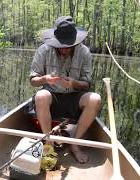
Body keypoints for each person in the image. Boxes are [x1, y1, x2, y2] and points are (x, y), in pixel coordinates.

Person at [29, 16, 101, 164]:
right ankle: (48, 145)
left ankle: (75, 145)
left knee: (95, 99)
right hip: (52, 96)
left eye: (68, 45)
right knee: (41, 95)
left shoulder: (84, 52)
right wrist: (45, 79)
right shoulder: (43, 50)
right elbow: (33, 81)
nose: (64, 49)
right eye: (61, 45)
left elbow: (87, 84)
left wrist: (74, 83)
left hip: (75, 97)